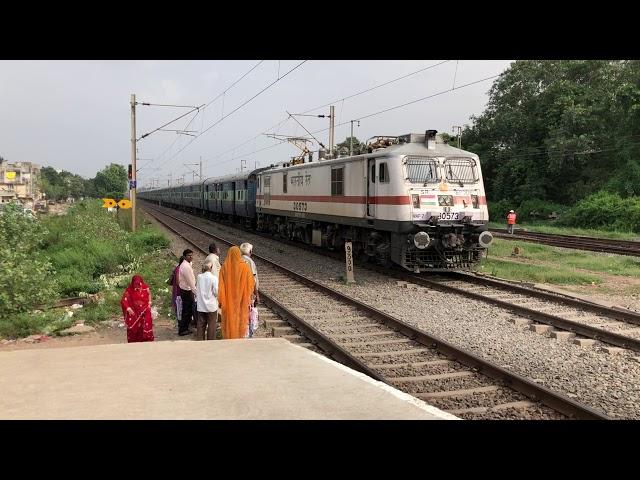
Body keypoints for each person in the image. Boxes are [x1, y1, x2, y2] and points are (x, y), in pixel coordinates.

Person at [218, 246, 255, 339]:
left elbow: (220, 286)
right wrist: (249, 296)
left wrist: (221, 300)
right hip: (241, 299)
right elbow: (251, 285)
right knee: (240, 317)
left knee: (229, 319)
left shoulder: (224, 267)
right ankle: (239, 336)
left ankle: (230, 336)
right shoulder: (245, 267)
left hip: (228, 300)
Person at [120, 275, 154, 343]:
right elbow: (124, 300)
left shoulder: (145, 287)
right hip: (134, 311)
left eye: (138, 284)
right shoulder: (129, 290)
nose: (137, 286)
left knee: (145, 324)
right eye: (135, 284)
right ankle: (134, 341)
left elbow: (149, 294)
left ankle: (146, 339)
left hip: (145, 310)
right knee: (134, 326)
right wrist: (128, 308)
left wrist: (150, 302)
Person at [240, 242, 260, 337]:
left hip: (239, 293)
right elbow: (253, 279)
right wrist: (257, 295)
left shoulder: (238, 260)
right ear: (250, 251)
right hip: (248, 293)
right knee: (249, 314)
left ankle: (241, 333)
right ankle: (248, 335)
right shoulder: (250, 262)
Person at [196, 259, 219, 340]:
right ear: (211, 267)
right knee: (211, 325)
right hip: (211, 306)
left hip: (201, 305)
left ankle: (200, 340)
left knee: (201, 325)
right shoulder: (214, 278)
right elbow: (216, 292)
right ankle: (211, 342)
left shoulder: (199, 277)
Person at [178, 249, 197, 336]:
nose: (191, 257)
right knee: (187, 310)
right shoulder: (185, 266)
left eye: (192, 255)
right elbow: (190, 282)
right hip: (186, 291)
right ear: (185, 256)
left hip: (186, 290)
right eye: (189, 255)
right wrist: (196, 293)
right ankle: (183, 329)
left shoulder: (187, 264)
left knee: (187, 310)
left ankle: (185, 327)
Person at [169, 255, 183, 328]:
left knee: (179, 306)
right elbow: (178, 281)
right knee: (179, 306)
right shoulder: (179, 269)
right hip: (179, 290)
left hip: (177, 289)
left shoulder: (178, 267)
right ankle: (180, 323)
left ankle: (180, 321)